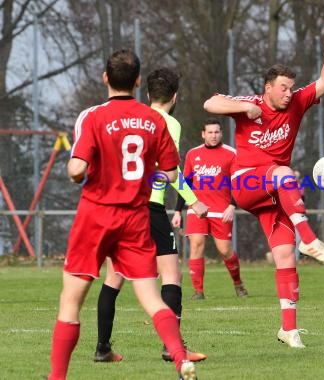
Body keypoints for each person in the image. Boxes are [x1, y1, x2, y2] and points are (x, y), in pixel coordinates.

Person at [47, 50, 196, 380]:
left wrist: (75, 170)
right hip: (135, 217)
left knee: (70, 302)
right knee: (151, 297)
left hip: (95, 216)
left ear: (105, 78)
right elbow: (171, 174)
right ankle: (178, 357)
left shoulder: (93, 116)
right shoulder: (155, 120)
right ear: (138, 81)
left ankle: (57, 377)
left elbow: (77, 168)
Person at [203, 23, 324, 348]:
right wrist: (242, 107)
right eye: (282, 87)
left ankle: (289, 330)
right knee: (285, 173)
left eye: (290, 87)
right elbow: (210, 104)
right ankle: (309, 239)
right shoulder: (250, 104)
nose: (288, 93)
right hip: (246, 183)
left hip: (274, 194)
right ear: (268, 87)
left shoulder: (295, 102)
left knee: (284, 257)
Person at [93, 68, 209, 364]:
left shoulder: (133, 120)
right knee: (171, 275)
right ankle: (174, 348)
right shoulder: (169, 123)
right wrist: (194, 202)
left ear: (147, 95)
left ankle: (102, 347)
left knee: (114, 277)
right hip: (150, 206)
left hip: (120, 207)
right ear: (175, 96)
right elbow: (171, 171)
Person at [172, 118, 248, 300]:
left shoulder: (232, 154)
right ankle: (198, 292)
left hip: (221, 210)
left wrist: (232, 205)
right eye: (210, 132)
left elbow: (239, 183)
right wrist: (177, 211)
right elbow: (184, 184)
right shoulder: (192, 154)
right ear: (203, 134)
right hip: (196, 208)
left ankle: (238, 284)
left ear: (221, 133)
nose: (213, 136)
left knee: (225, 251)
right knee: (196, 246)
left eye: (216, 132)